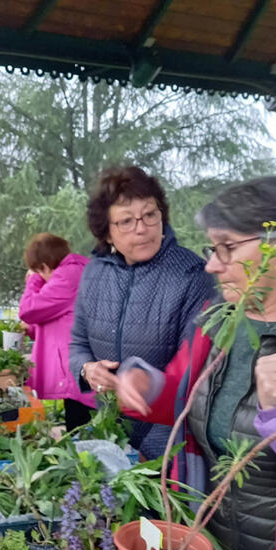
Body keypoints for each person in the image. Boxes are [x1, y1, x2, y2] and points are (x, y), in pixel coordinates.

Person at [115, 174, 276, 550]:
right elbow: (183, 393)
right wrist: (143, 384)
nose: (212, 267)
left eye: (227, 248)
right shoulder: (221, 320)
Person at [69, 166, 214, 458]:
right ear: (107, 234)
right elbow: (77, 344)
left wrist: (144, 385)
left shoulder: (191, 275)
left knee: (163, 502)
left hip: (169, 434)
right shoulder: (94, 273)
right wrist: (87, 370)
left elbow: (197, 369)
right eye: (126, 221)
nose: (142, 228)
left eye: (150, 214)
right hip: (109, 428)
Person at [19, 233, 95, 431]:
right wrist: (33, 329)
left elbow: (28, 309)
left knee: (82, 434)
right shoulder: (77, 272)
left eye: (39, 271)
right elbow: (60, 317)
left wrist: (33, 280)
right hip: (83, 366)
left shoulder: (67, 275)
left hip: (79, 369)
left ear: (44, 266)